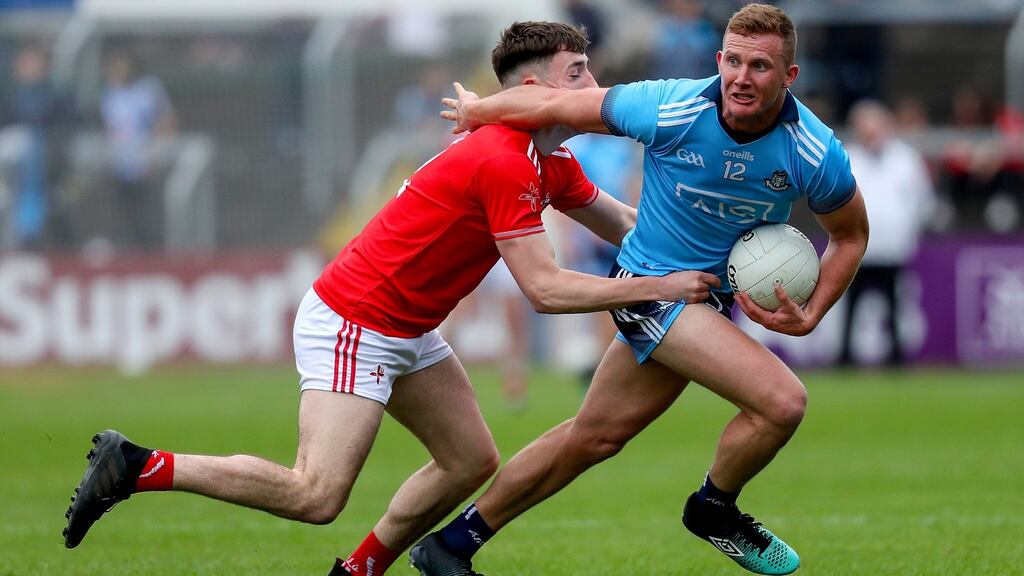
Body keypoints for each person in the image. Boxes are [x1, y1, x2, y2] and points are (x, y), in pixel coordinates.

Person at [61, 22, 718, 576]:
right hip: (357, 319)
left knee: (469, 461)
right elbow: (544, 290)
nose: (594, 88)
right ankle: (138, 466)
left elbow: (624, 223)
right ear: (533, 89)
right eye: (578, 74)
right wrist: (657, 286)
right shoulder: (505, 158)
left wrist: (713, 247)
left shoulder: (551, 159)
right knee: (316, 494)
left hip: (407, 327)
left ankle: (360, 571)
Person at [412, 5, 868, 576]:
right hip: (649, 288)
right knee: (781, 403)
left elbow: (849, 236)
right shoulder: (669, 106)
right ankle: (714, 509)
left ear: (789, 77)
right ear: (717, 59)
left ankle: (451, 545)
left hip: (703, 301)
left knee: (592, 438)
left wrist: (814, 312)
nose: (741, 77)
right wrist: (480, 109)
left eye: (760, 65)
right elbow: (550, 103)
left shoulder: (813, 151)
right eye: (732, 60)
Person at [839, 99, 935, 366]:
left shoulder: (906, 160)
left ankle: (896, 356)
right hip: (857, 249)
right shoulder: (847, 158)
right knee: (851, 305)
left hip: (893, 246)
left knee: (895, 304)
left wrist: (907, 232)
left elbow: (922, 200)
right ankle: (844, 355)